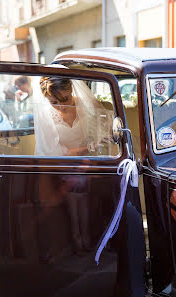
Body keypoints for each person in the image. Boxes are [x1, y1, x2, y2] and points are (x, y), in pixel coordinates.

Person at [34, 77, 111, 257]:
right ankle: (78, 238)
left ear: (72, 91)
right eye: (54, 103)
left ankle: (89, 237)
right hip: (57, 165)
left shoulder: (84, 105)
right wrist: (90, 147)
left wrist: (101, 140)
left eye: (65, 99)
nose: (62, 107)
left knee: (92, 183)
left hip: (83, 163)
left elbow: (102, 124)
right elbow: (59, 152)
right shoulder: (45, 115)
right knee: (77, 186)